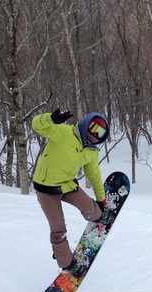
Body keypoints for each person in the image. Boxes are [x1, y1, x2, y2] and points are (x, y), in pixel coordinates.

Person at [32, 108, 110, 275]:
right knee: (58, 229)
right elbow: (36, 124)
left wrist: (101, 200)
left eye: (99, 133)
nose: (93, 135)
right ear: (86, 124)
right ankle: (66, 262)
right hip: (46, 189)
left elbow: (94, 175)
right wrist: (51, 118)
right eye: (93, 129)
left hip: (67, 184)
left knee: (93, 211)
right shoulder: (62, 132)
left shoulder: (91, 150)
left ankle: (96, 216)